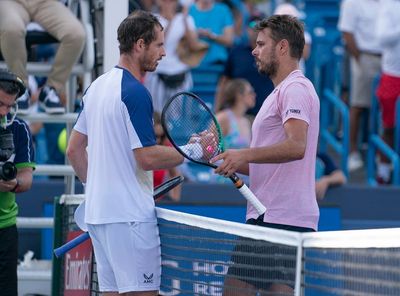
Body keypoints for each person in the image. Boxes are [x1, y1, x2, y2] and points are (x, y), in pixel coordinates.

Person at [66, 11, 187, 296]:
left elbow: (74, 150)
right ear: (140, 45)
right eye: (158, 45)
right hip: (129, 216)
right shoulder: (135, 92)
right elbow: (145, 158)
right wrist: (186, 152)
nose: (164, 53)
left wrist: (96, 185)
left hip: (99, 214)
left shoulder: (95, 87)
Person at [210, 15, 320, 295]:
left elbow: (297, 146)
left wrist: (243, 153)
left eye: (261, 44)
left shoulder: (294, 88)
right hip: (283, 220)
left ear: (282, 47)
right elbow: (271, 165)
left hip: (275, 220)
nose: (254, 51)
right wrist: (227, 157)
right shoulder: (281, 92)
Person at [0, 0, 86, 114]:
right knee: (11, 29)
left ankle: (51, 89)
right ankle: (20, 89)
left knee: (76, 34)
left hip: (46, 3)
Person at [0, 69, 35, 296]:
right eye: (0, 103)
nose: (4, 111)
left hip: (5, 227)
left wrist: (12, 184)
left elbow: (26, 179)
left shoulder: (19, 129)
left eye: (9, 106)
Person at [338, 0, 381, 172]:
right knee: (357, 106)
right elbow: (347, 33)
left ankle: (380, 156)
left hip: (388, 59)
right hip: (363, 56)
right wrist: (359, 58)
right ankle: (352, 152)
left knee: (385, 108)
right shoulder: (352, 3)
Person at [144, 0, 205, 114]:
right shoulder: (153, 19)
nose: (169, 3)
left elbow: (193, 45)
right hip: (158, 72)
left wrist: (184, 19)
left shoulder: (186, 19)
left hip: (180, 72)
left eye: (172, 1)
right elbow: (159, 43)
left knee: (177, 117)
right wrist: (171, 21)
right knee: (156, 114)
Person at [214, 16, 274, 117]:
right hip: (239, 115)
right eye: (253, 27)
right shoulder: (236, 52)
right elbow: (224, 82)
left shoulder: (272, 52)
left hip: (267, 115)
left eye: (260, 27)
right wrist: (217, 108)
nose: (256, 31)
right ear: (247, 29)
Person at [375, 0, 400, 184]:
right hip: (393, 74)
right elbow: (381, 38)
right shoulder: (389, 5)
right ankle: (383, 171)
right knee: (389, 125)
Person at [153, 112, 182, 201]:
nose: (158, 140)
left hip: (157, 205)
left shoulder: (166, 147)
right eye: (154, 136)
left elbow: (175, 175)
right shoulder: (138, 149)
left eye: (161, 136)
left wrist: (175, 201)